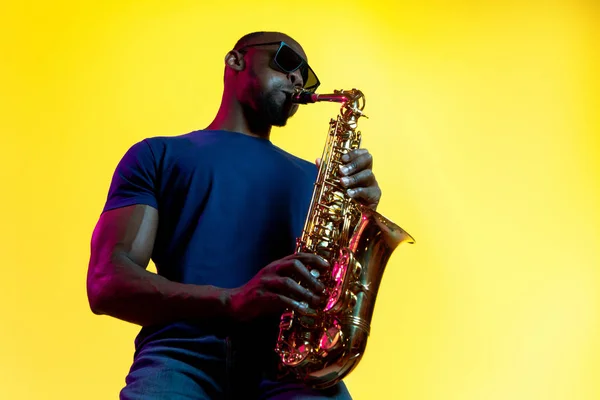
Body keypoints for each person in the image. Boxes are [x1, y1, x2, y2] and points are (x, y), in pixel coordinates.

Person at [87, 31, 382, 400]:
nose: (296, 78)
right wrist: (231, 299)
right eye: (287, 61)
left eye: (305, 75)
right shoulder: (157, 155)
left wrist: (360, 210)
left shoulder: (317, 179)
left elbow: (333, 295)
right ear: (235, 61)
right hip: (182, 355)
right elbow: (107, 282)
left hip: (292, 367)